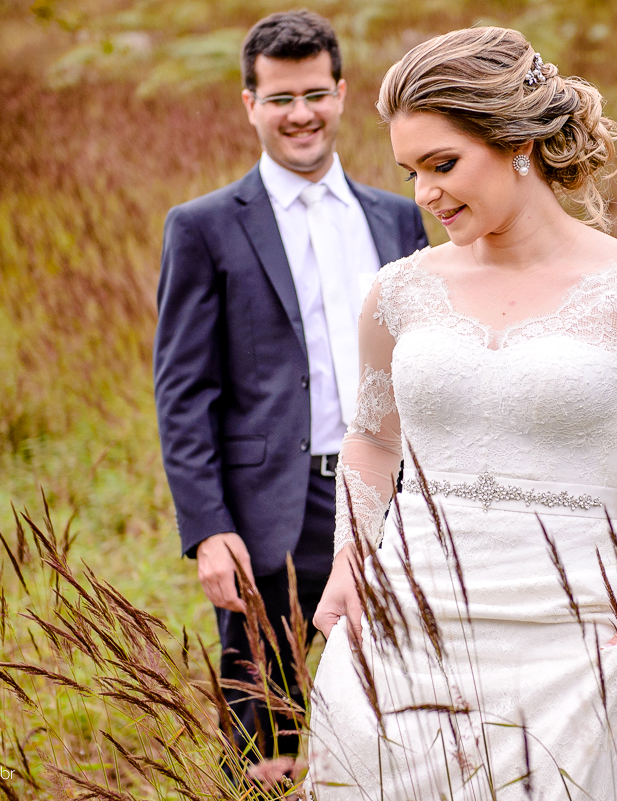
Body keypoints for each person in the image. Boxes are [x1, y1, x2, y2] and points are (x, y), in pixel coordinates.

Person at [301, 27, 617, 800]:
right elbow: (372, 441)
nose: (426, 195)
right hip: (404, 625)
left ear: (517, 143)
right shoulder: (399, 291)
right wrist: (348, 561)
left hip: (570, 637)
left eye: (444, 164)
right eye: (411, 171)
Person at [152, 9, 428, 788]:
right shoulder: (202, 227)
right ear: (250, 104)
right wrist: (208, 528)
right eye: (280, 98)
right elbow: (183, 389)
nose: (300, 113)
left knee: (397, 691)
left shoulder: (400, 217)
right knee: (267, 731)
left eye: (314, 93)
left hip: (391, 495)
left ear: (342, 94)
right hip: (271, 500)